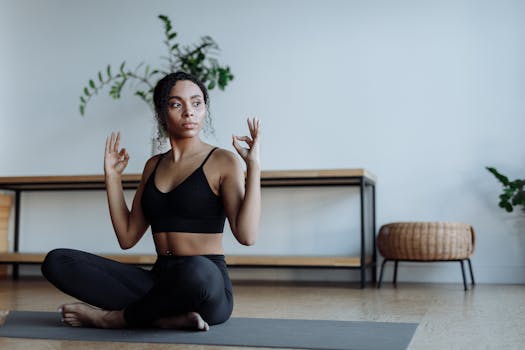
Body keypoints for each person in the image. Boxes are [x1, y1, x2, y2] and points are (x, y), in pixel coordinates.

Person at [41, 71, 261, 331]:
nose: (189, 111)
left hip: (205, 283)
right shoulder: (153, 165)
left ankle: (113, 319)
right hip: (160, 280)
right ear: (161, 113)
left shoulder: (222, 160)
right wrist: (112, 178)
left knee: (195, 269)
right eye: (176, 104)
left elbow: (247, 236)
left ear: (204, 109)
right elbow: (127, 237)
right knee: (57, 261)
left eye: (197, 103)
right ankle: (164, 318)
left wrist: (253, 165)